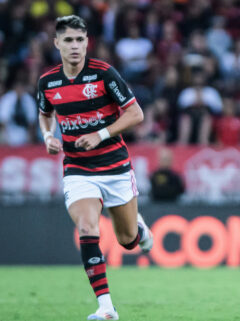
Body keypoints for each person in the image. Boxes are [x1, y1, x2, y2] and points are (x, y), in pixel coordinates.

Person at [37, 15, 153, 320]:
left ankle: (138, 229)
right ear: (57, 43)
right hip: (77, 169)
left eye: (80, 40)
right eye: (68, 40)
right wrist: (48, 136)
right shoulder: (48, 82)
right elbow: (45, 113)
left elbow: (136, 114)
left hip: (115, 167)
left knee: (127, 241)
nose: (75, 46)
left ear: (87, 42)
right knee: (87, 228)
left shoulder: (104, 74)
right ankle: (106, 307)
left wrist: (100, 133)